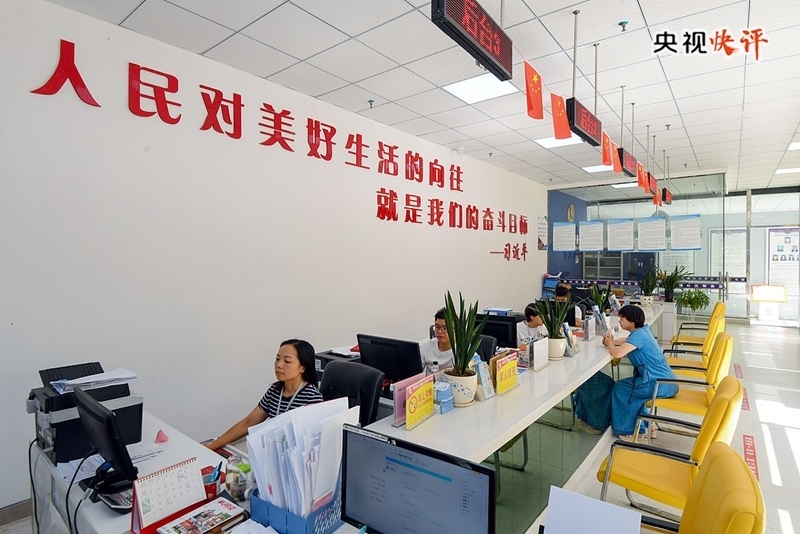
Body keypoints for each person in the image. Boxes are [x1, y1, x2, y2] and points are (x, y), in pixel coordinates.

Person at [205, 339, 323, 450]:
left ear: (302, 367)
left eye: (287, 361)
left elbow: (312, 440)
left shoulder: (312, 397)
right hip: (271, 451)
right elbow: (248, 422)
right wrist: (212, 446)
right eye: (277, 359)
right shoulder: (275, 391)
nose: (279, 365)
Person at [601, 305, 679, 441]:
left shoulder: (638, 336)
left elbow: (617, 353)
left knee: (622, 389)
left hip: (657, 383)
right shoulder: (642, 332)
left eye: (622, 318)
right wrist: (612, 342)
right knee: (629, 388)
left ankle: (634, 431)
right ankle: (648, 425)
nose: (619, 321)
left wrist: (611, 345)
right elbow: (627, 341)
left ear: (632, 321)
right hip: (665, 380)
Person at [419, 307, 454, 373]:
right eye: (437, 327)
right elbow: (416, 372)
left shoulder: (462, 351)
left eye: (445, 328)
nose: (440, 331)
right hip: (431, 379)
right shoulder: (426, 346)